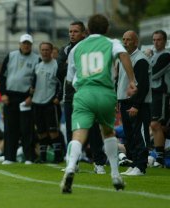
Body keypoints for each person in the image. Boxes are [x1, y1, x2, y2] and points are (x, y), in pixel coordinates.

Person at [61, 14, 137, 194]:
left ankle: (71, 167)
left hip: (83, 93)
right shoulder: (112, 43)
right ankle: (116, 175)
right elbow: (124, 55)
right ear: (107, 29)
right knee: (108, 132)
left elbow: (70, 78)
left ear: (87, 30)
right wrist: (132, 80)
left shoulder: (77, 48)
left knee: (78, 135)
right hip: (105, 92)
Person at [56, 20, 107, 174]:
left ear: (84, 33)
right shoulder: (64, 49)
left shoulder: (91, 48)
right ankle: (74, 163)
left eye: (75, 31)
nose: (72, 34)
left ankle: (99, 163)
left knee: (93, 130)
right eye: (70, 31)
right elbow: (59, 71)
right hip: (70, 96)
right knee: (72, 131)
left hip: (89, 95)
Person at [0, 33, 39, 164]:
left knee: (27, 129)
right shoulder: (11, 56)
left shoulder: (36, 59)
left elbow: (36, 81)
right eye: (24, 43)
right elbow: (2, 76)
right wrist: (3, 93)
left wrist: (31, 97)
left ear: (31, 45)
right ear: (20, 44)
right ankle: (9, 157)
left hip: (25, 98)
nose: (26, 45)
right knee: (10, 128)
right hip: (9, 97)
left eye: (28, 43)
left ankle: (29, 157)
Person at [118, 31, 151, 176]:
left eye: (129, 40)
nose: (125, 42)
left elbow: (143, 84)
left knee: (139, 134)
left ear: (136, 42)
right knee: (130, 135)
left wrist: (136, 105)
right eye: (123, 39)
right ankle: (134, 163)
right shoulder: (122, 58)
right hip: (124, 101)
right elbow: (119, 81)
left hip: (138, 103)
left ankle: (141, 166)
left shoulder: (140, 59)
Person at [31, 41, 62, 163]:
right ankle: (42, 157)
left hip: (50, 103)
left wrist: (57, 98)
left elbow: (61, 84)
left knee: (53, 131)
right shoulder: (38, 66)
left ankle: (58, 156)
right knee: (41, 132)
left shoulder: (56, 65)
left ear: (51, 51)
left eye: (47, 50)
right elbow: (33, 83)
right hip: (37, 102)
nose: (44, 52)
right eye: (42, 50)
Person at [148, 30, 170, 167]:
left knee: (156, 124)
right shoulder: (153, 55)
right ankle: (160, 157)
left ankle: (160, 158)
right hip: (153, 94)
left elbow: (154, 73)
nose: (156, 42)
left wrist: (145, 60)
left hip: (161, 93)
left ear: (165, 41)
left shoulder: (166, 55)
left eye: (159, 40)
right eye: (154, 40)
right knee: (158, 126)